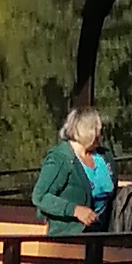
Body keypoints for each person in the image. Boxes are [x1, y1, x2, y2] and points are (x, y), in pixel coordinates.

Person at [29, 100, 115, 234]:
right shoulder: (60, 159)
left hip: (103, 235)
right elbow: (40, 196)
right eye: (97, 129)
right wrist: (75, 210)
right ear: (86, 131)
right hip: (69, 237)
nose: (101, 133)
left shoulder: (105, 156)